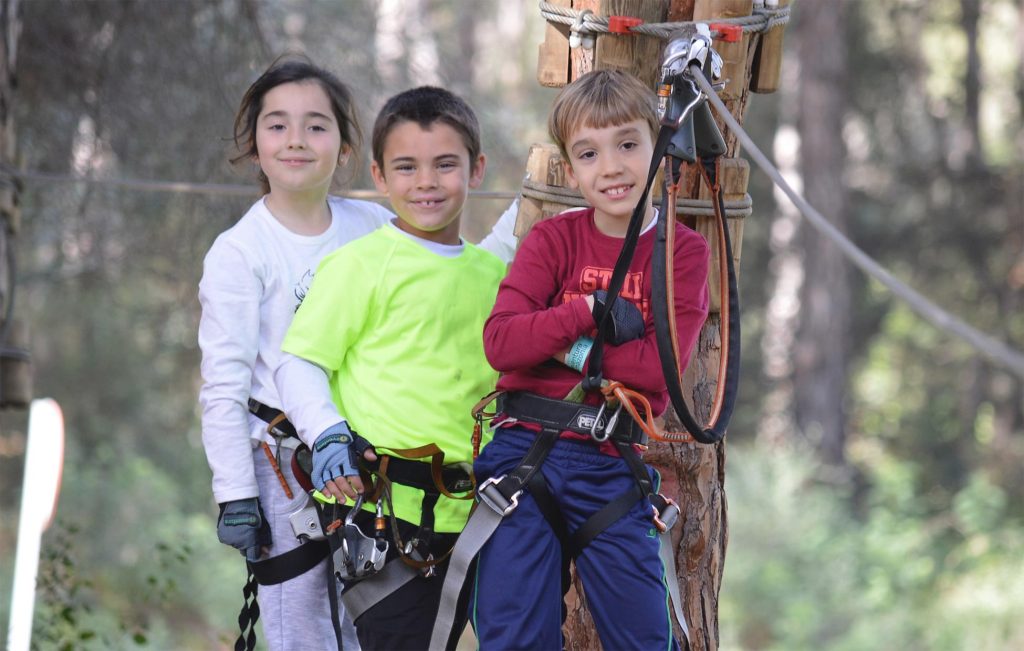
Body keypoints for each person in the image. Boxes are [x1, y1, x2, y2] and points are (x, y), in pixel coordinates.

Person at [198, 58, 514, 651]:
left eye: (315, 126)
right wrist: (234, 493)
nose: (295, 140)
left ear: (345, 147)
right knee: (303, 624)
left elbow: (449, 277)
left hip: (368, 466)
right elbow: (223, 384)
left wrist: (529, 214)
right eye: (277, 126)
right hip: (284, 461)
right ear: (254, 143)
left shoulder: (371, 223)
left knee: (362, 620)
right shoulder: (240, 251)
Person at [471, 69, 711, 650]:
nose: (611, 167)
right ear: (570, 169)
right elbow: (501, 343)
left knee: (644, 639)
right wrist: (586, 310)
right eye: (588, 153)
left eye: (628, 145)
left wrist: (557, 343)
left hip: (610, 462)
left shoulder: (681, 253)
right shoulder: (553, 241)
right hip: (524, 456)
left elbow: (658, 371)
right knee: (514, 638)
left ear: (658, 148)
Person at [274, 86, 506, 650]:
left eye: (444, 164)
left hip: (483, 516)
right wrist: (327, 433)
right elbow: (299, 362)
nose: (426, 181)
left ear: (476, 169)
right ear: (379, 176)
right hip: (384, 519)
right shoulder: (359, 266)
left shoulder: (496, 275)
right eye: (407, 167)